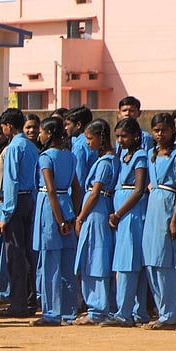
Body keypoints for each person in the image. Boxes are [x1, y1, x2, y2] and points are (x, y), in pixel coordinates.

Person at [29, 118, 81, 326]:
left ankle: (51, 312)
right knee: (67, 264)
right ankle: (69, 312)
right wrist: (73, 215)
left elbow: (50, 189)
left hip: (50, 209)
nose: (39, 135)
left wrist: (59, 220)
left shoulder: (46, 157)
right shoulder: (70, 156)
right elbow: (76, 188)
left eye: (41, 131)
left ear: (49, 133)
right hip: (66, 204)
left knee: (50, 263)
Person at [141, 113, 176, 329]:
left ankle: (170, 316)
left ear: (171, 131)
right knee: (151, 260)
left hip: (168, 205)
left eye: (164, 130)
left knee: (166, 261)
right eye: (156, 130)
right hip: (153, 206)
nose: (160, 134)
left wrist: (175, 219)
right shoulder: (152, 154)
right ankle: (162, 312)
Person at [0, 109, 39, 317]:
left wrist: (6, 214)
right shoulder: (31, 147)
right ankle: (30, 300)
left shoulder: (13, 148)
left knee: (14, 254)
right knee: (29, 254)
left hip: (17, 200)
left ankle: (18, 303)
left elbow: (11, 182)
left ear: (8, 126)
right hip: (31, 199)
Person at [73, 120, 118, 325]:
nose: (88, 143)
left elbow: (94, 192)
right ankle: (99, 305)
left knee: (95, 257)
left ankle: (97, 308)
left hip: (96, 212)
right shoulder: (109, 160)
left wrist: (81, 216)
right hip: (99, 209)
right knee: (95, 256)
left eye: (90, 139)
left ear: (101, 137)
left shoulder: (105, 162)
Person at [108, 118, 149, 326]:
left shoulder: (140, 156)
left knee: (127, 262)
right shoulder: (123, 155)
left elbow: (139, 189)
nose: (120, 140)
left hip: (131, 214)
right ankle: (136, 311)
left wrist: (118, 213)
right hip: (124, 214)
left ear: (135, 136)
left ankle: (124, 312)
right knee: (129, 262)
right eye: (118, 136)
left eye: (124, 136)